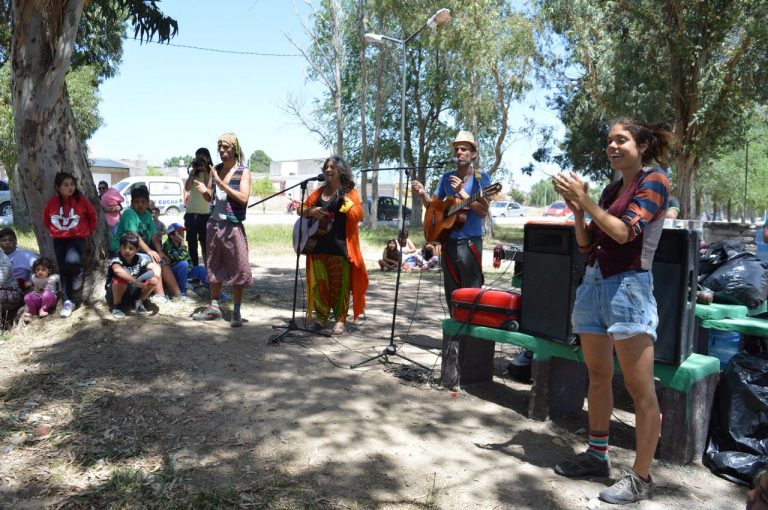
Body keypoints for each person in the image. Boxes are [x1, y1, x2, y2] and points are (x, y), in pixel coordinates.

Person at [550, 117, 674, 504]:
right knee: (598, 376)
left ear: (642, 145)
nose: (613, 146)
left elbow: (624, 233)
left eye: (622, 140)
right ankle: (597, 456)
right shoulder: (610, 189)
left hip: (629, 288)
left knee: (640, 390)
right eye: (610, 141)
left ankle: (641, 478)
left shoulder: (654, 181)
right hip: (594, 284)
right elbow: (589, 245)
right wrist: (576, 211)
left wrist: (586, 200)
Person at [411, 130, 491, 303]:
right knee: (452, 293)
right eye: (456, 150)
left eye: (464, 149)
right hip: (448, 242)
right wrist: (423, 193)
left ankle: (471, 329)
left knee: (471, 292)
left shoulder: (481, 178)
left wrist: (461, 192)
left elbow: (483, 212)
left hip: (470, 242)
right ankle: (454, 328)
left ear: (474, 154)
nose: (459, 152)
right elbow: (433, 208)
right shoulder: (446, 177)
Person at [298, 155, 368, 335]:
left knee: (340, 286)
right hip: (317, 247)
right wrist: (311, 211)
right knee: (321, 285)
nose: (328, 170)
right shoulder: (318, 192)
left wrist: (347, 202)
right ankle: (321, 319)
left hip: (340, 247)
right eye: (326, 167)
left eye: (332, 167)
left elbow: (359, 215)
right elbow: (300, 209)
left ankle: (340, 320)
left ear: (341, 171)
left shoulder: (349, 192)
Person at [192, 133, 252, 327]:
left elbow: (243, 198)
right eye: (220, 147)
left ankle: (236, 311)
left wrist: (221, 183)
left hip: (232, 226)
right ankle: (215, 307)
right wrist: (205, 191)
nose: (222, 151)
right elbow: (211, 198)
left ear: (234, 148)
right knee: (213, 265)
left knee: (238, 267)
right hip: (214, 224)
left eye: (226, 147)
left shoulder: (243, 172)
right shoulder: (216, 169)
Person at [42, 172, 97, 318]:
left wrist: (86, 231)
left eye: (72, 184)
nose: (70, 187)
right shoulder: (52, 202)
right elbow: (46, 219)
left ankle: (78, 272)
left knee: (71, 262)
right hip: (59, 239)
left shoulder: (81, 200)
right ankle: (68, 301)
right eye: (65, 185)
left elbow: (92, 215)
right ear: (58, 187)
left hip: (77, 238)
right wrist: (57, 231)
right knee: (63, 271)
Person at [109, 186, 168, 303]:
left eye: (143, 202)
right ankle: (160, 295)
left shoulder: (147, 215)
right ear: (131, 203)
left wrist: (160, 251)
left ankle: (178, 293)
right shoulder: (129, 213)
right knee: (154, 261)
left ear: (148, 202)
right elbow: (134, 235)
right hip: (122, 249)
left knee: (162, 260)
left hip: (138, 250)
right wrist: (150, 251)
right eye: (136, 202)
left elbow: (154, 236)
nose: (140, 204)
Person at [106, 233, 159, 319]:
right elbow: (117, 270)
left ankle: (138, 302)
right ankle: (116, 307)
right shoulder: (117, 258)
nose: (127, 251)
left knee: (152, 275)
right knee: (121, 278)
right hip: (114, 293)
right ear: (120, 248)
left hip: (131, 291)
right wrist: (137, 282)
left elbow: (156, 266)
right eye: (124, 247)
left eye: (131, 248)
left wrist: (156, 277)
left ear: (137, 249)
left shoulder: (139, 259)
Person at [161, 223, 208, 302]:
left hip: (184, 271)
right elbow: (180, 258)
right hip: (172, 274)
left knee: (201, 269)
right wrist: (183, 243)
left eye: (183, 232)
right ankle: (182, 293)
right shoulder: (168, 245)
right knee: (183, 264)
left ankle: (216, 293)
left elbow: (188, 260)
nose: (182, 235)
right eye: (179, 233)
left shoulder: (179, 243)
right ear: (172, 235)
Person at [184, 148, 213, 266]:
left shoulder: (212, 171)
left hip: (204, 213)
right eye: (197, 158)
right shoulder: (193, 171)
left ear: (208, 159)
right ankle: (195, 270)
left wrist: (206, 170)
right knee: (192, 244)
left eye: (202, 159)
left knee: (205, 244)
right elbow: (187, 188)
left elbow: (208, 188)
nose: (199, 161)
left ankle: (207, 271)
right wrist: (193, 169)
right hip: (190, 212)